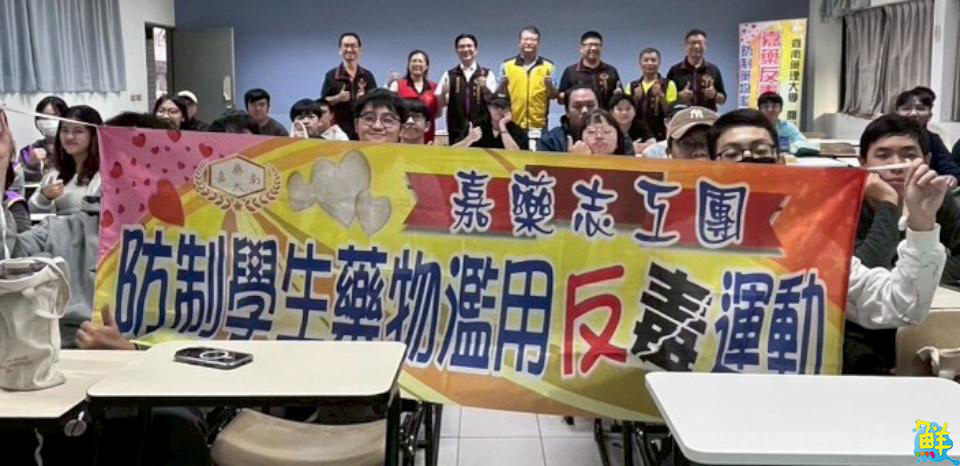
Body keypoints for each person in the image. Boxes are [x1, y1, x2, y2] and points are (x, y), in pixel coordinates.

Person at [706, 108, 951, 340]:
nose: (747, 160)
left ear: (780, 163)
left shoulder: (808, 241)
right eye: (731, 153)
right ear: (709, 167)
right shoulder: (684, 235)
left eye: (761, 151)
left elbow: (900, 306)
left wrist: (922, 224)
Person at [845, 114, 960, 374]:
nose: (896, 165)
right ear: (863, 162)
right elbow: (860, 271)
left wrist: (925, 276)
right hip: (864, 321)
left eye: (909, 155)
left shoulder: (934, 197)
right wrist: (888, 205)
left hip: (931, 309)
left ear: (926, 161)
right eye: (883, 155)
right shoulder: (847, 204)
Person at [29, 105, 103, 215]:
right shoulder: (53, 174)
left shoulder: (103, 175)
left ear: (93, 134)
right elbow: (31, 212)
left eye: (78, 131)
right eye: (64, 130)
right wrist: (44, 197)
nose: (69, 137)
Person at [436, 33, 498, 145]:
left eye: (469, 46)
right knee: (457, 156)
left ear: (476, 50)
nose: (465, 49)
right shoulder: (449, 75)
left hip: (483, 130)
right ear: (456, 51)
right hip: (457, 130)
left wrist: (485, 88)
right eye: (461, 46)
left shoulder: (487, 74)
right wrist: (443, 95)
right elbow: (439, 102)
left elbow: (494, 102)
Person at [538, 85, 634, 155]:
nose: (585, 110)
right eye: (577, 106)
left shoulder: (621, 139)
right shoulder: (551, 141)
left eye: (590, 105)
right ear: (567, 111)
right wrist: (573, 161)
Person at [499, 25, 557, 136]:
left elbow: (554, 95)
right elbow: (499, 95)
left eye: (533, 39)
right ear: (519, 42)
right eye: (525, 39)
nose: (529, 42)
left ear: (538, 43)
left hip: (539, 125)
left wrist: (550, 85)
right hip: (513, 123)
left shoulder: (548, 66)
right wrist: (502, 85)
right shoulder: (506, 65)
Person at [894, 87, 960, 180]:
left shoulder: (933, 139)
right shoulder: (881, 135)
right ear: (896, 113)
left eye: (920, 109)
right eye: (906, 109)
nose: (913, 113)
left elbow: (951, 170)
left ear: (929, 115)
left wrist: (951, 178)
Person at [321, 32, 378, 140]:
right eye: (346, 46)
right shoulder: (331, 75)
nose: (349, 49)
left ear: (359, 50)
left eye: (353, 46)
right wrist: (337, 98)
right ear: (340, 50)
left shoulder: (367, 75)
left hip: (364, 128)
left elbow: (377, 103)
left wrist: (364, 99)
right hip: (338, 131)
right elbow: (323, 103)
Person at [558, 31, 622, 110]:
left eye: (597, 45)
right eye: (590, 45)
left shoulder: (611, 70)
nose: (593, 48)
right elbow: (560, 100)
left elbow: (619, 96)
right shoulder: (570, 71)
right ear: (581, 49)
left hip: (604, 116)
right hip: (579, 116)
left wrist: (619, 95)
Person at [14, 95, 68, 189]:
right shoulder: (28, 151)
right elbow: (19, 185)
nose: (50, 121)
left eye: (55, 116)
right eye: (44, 117)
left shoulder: (74, 148)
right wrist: (31, 166)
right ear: (37, 120)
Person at [667, 29, 726, 111]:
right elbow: (666, 99)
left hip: (707, 116)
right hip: (682, 116)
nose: (697, 46)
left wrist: (714, 95)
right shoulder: (674, 70)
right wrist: (679, 96)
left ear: (706, 46)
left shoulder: (714, 70)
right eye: (693, 43)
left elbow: (723, 100)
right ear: (685, 46)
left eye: (700, 43)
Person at [627, 48, 678, 141]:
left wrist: (661, 96)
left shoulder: (669, 84)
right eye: (646, 60)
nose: (650, 63)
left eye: (653, 60)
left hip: (661, 135)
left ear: (659, 63)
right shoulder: (631, 86)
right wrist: (635, 99)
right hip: (637, 136)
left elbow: (672, 113)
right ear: (640, 63)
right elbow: (626, 113)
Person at [389, 50, 439, 144]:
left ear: (427, 66)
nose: (417, 64)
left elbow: (437, 113)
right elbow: (389, 110)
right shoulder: (397, 85)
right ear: (408, 65)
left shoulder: (435, 88)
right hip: (403, 135)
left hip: (427, 135)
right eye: (414, 61)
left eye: (420, 61)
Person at [453, 92, 526, 151]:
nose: (499, 110)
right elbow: (452, 151)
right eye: (496, 106)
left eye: (503, 107)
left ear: (509, 109)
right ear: (489, 108)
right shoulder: (476, 126)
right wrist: (469, 139)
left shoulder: (516, 130)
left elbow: (517, 155)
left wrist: (502, 126)